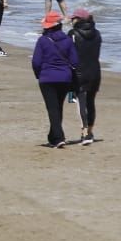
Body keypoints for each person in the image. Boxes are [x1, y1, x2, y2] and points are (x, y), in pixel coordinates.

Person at [33, 11, 80, 148]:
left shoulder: (42, 40)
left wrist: (39, 74)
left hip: (47, 78)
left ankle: (59, 137)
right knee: (57, 107)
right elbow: (75, 61)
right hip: (65, 78)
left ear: (48, 26)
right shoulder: (67, 40)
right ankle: (53, 137)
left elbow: (36, 62)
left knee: (52, 108)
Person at [70, 8, 102, 143]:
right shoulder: (98, 34)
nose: (71, 20)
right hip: (95, 72)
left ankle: (84, 132)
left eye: (73, 18)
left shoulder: (72, 34)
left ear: (78, 19)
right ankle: (90, 132)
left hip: (79, 73)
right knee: (91, 102)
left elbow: (68, 54)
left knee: (80, 102)